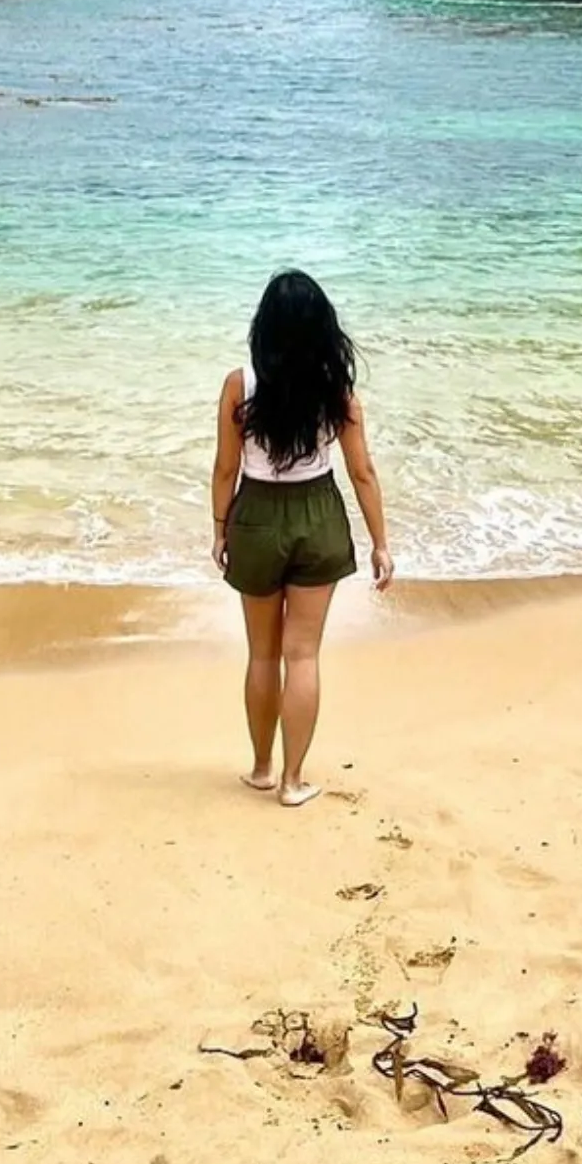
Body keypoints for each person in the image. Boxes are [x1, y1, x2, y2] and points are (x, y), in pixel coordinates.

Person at [210, 268, 393, 807]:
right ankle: (293, 781)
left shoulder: (239, 385)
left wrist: (220, 529)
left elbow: (225, 469)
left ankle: (262, 768)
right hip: (318, 513)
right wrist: (381, 543)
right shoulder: (337, 390)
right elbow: (363, 472)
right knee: (304, 655)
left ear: (263, 326)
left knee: (262, 656)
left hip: (257, 517)